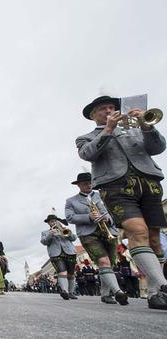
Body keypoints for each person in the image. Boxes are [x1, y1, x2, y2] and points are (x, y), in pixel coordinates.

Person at [76, 95, 167, 309]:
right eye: (102, 109)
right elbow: (87, 154)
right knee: (138, 232)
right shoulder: (86, 137)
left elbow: (158, 147)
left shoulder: (134, 128)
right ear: (93, 115)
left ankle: (155, 294)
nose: (108, 111)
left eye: (111, 107)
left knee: (154, 238)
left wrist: (146, 126)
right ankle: (163, 285)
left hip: (148, 180)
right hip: (115, 185)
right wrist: (108, 130)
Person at [65, 172, 127, 305]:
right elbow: (70, 217)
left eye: (90, 182)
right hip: (88, 234)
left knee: (109, 264)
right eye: (85, 183)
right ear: (79, 185)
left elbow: (113, 211)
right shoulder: (71, 201)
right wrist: (88, 217)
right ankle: (118, 292)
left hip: (109, 230)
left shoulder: (102, 195)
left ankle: (105, 294)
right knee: (103, 261)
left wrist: (108, 218)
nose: (88, 185)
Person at [40, 215, 78, 300]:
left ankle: (71, 292)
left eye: (55, 221)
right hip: (56, 254)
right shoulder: (45, 232)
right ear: (48, 223)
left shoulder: (64, 229)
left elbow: (74, 238)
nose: (53, 222)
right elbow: (43, 242)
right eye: (51, 221)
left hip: (69, 252)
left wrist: (66, 232)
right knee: (62, 272)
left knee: (71, 274)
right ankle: (65, 291)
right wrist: (50, 234)